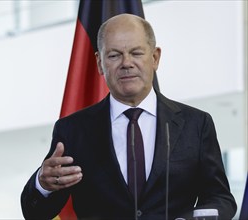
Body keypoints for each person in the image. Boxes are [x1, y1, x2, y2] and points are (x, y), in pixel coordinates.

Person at [21, 13, 237, 220]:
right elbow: (36, 214)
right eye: (114, 55)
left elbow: (221, 198)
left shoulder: (197, 124)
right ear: (99, 63)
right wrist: (43, 184)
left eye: (136, 53)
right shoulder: (72, 130)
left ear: (155, 57)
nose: (126, 63)